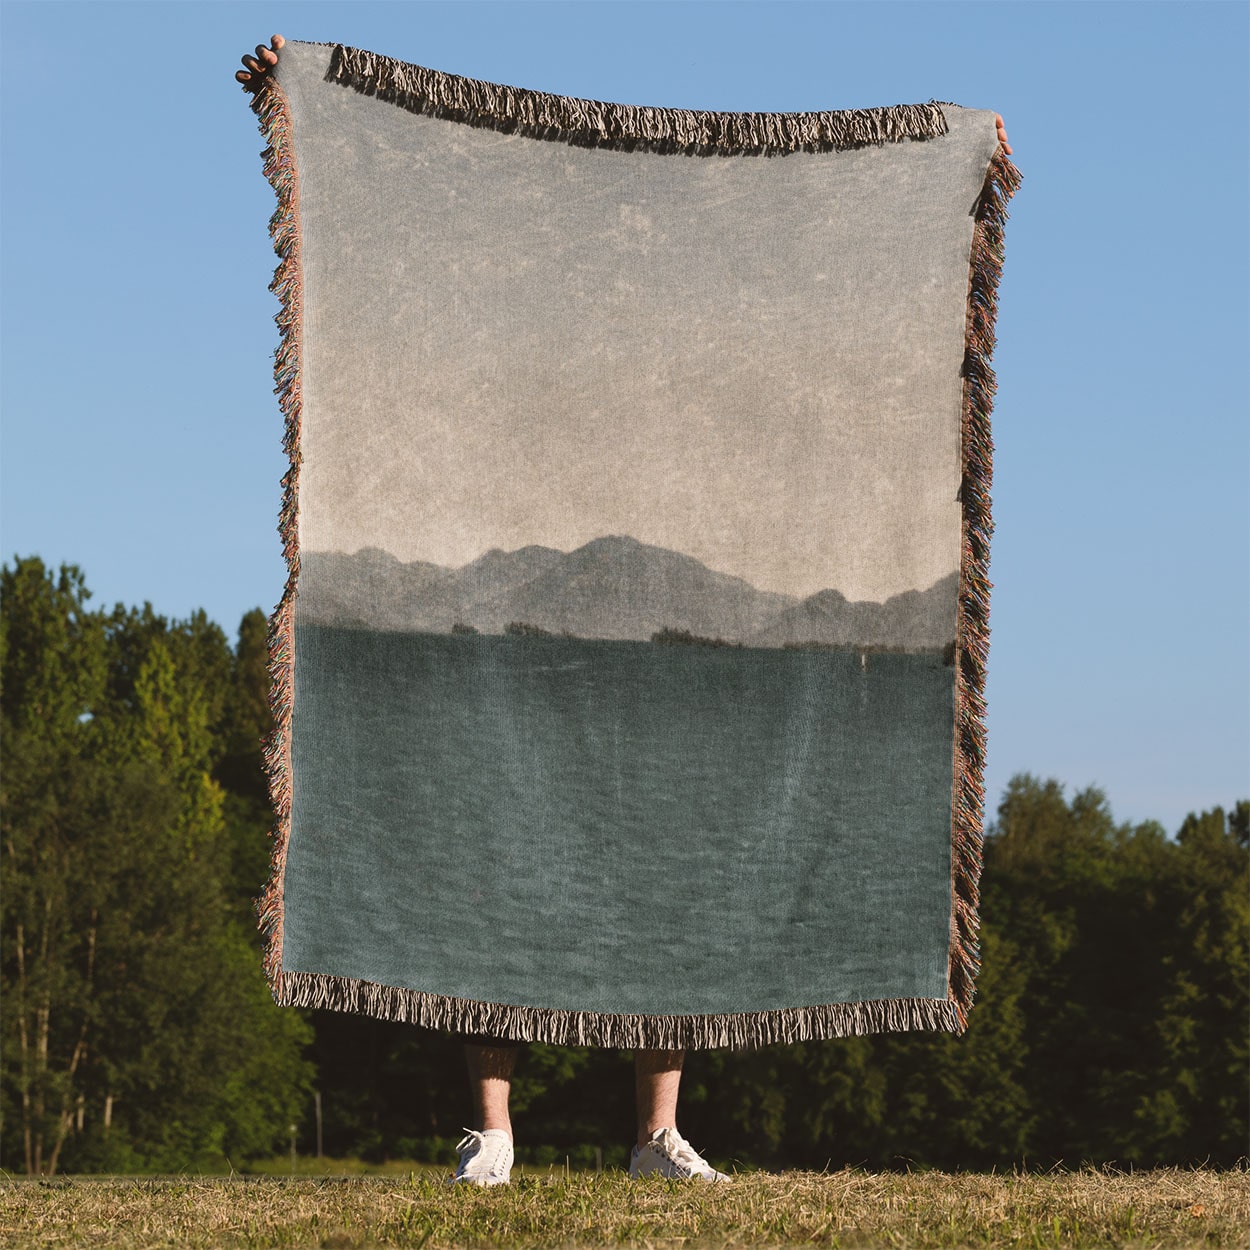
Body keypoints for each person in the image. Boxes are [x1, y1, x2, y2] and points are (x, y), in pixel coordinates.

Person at [235, 35, 1013, 1187]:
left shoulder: (692, 427)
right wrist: (297, 76)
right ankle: (492, 1131)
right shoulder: (517, 394)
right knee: (488, 876)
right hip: (511, 648)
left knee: (668, 884)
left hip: (652, 663)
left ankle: (655, 1135)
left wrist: (962, 154)